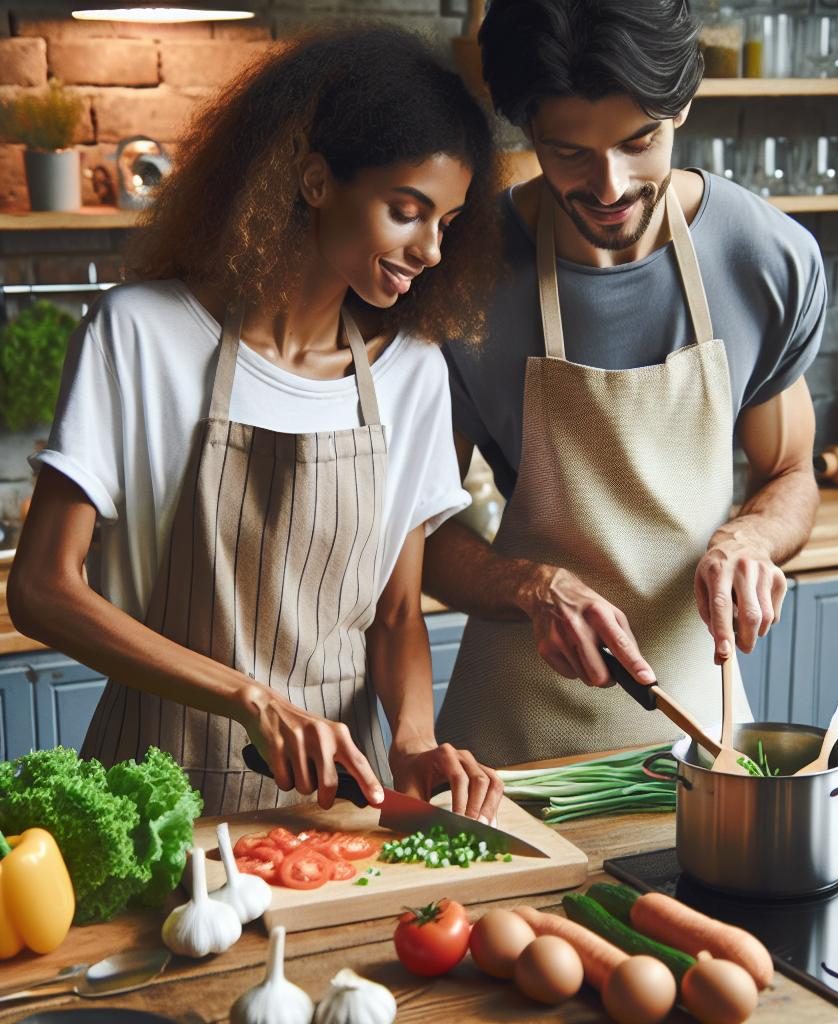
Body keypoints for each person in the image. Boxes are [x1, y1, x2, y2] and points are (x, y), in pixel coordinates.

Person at [9, 26, 506, 821]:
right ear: (314, 178)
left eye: (446, 223)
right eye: (407, 212)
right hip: (154, 798)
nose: (431, 251)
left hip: (336, 807)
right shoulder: (143, 335)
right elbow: (40, 590)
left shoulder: (410, 372)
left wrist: (414, 739)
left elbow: (397, 614)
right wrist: (249, 697)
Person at [426, 0, 825, 765]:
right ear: (527, 129)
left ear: (680, 105)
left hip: (695, 737)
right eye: (568, 152)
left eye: (640, 142)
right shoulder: (463, 275)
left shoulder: (764, 258)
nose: (608, 186)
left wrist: (752, 537)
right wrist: (533, 587)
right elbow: (418, 536)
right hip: (513, 741)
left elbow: (790, 472)